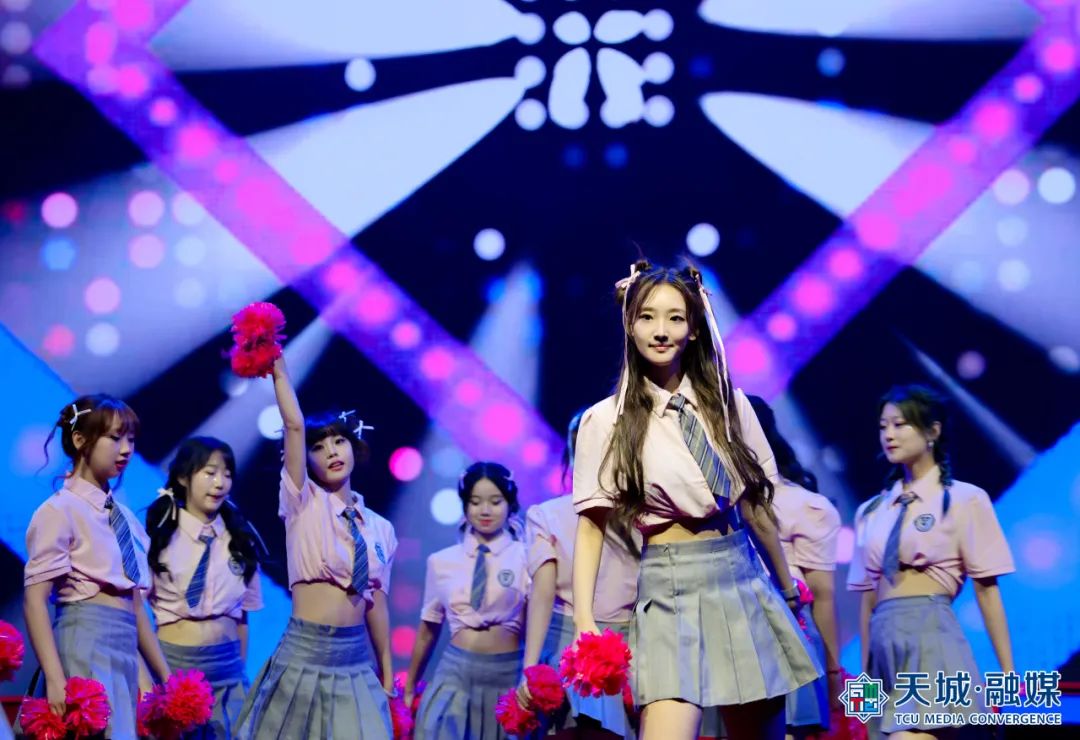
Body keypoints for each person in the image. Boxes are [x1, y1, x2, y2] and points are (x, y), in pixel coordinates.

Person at [571, 261, 820, 740]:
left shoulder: (730, 404)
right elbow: (591, 525)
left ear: (695, 329)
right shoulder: (605, 421)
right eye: (647, 317)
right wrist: (585, 618)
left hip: (741, 577)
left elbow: (756, 508)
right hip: (670, 586)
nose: (661, 331)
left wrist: (788, 589)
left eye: (675, 318)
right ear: (629, 324)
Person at [235, 357, 396, 739]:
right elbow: (294, 425)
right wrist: (278, 369)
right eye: (319, 447)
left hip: (355, 661)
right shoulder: (301, 502)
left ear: (354, 447)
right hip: (305, 653)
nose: (332, 452)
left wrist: (387, 671)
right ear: (305, 459)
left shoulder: (381, 528)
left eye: (339, 441)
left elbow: (376, 602)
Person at [848, 384, 1016, 738]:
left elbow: (987, 590)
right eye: (883, 426)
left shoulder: (964, 499)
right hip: (884, 646)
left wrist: (1007, 673)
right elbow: (867, 601)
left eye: (900, 424)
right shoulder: (871, 511)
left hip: (931, 633)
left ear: (933, 432)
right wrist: (864, 684)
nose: (889, 435)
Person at [23, 394, 170, 739]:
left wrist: (163, 678)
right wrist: (55, 678)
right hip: (84, 646)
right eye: (115, 438)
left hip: (124, 649)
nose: (126, 449)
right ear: (80, 440)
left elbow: (134, 605)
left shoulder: (126, 518)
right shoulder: (60, 510)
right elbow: (34, 601)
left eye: (131, 439)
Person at [518, 412, 641, 738]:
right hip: (574, 646)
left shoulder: (639, 514)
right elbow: (542, 594)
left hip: (625, 646)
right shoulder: (547, 515)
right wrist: (530, 668)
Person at [146, 436, 266, 738]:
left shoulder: (241, 540)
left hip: (229, 670)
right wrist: (160, 678)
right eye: (210, 473)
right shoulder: (159, 535)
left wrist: (239, 668)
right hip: (174, 666)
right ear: (183, 477)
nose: (220, 483)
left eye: (227, 474)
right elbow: (135, 610)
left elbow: (243, 616)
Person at [405, 462, 530, 740]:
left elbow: (538, 625)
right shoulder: (441, 561)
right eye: (475, 502)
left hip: (508, 677)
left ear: (510, 504)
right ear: (464, 505)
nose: (485, 511)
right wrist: (410, 687)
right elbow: (427, 631)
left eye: (495, 502)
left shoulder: (527, 557)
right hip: (455, 675)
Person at [747, 395, 841, 738]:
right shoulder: (710, 502)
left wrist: (834, 673)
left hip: (789, 638)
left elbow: (822, 596)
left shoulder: (804, 506)